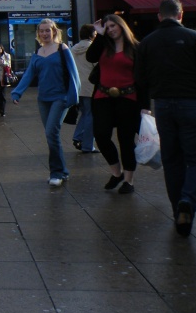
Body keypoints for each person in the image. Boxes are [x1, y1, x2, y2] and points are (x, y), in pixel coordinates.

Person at [135, 0, 196, 237]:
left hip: (163, 106)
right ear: (181, 15)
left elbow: (140, 79)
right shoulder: (194, 38)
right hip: (193, 104)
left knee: (172, 161)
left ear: (159, 17)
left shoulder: (148, 43)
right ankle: (187, 201)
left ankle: (178, 213)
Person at [11, 19, 80, 187]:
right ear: (38, 33)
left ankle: (56, 173)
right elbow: (28, 75)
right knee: (52, 136)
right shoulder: (38, 53)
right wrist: (17, 92)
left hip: (60, 98)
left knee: (51, 133)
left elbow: (74, 74)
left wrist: (73, 97)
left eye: (47, 30)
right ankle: (62, 170)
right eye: (41, 31)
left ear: (54, 32)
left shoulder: (62, 49)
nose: (44, 33)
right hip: (43, 100)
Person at [87, 15, 141, 194]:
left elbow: (144, 80)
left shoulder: (136, 47)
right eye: (107, 27)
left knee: (126, 140)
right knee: (101, 135)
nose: (110, 29)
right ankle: (116, 172)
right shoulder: (104, 44)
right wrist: (100, 35)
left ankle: (128, 180)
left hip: (128, 98)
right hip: (103, 96)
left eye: (113, 26)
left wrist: (146, 106)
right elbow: (90, 56)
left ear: (121, 26)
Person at [70, 24, 98, 153]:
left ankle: (78, 136)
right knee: (91, 115)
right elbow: (97, 66)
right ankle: (87, 145)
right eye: (95, 33)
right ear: (91, 35)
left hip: (77, 86)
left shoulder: (73, 49)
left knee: (85, 113)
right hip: (90, 86)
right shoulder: (92, 48)